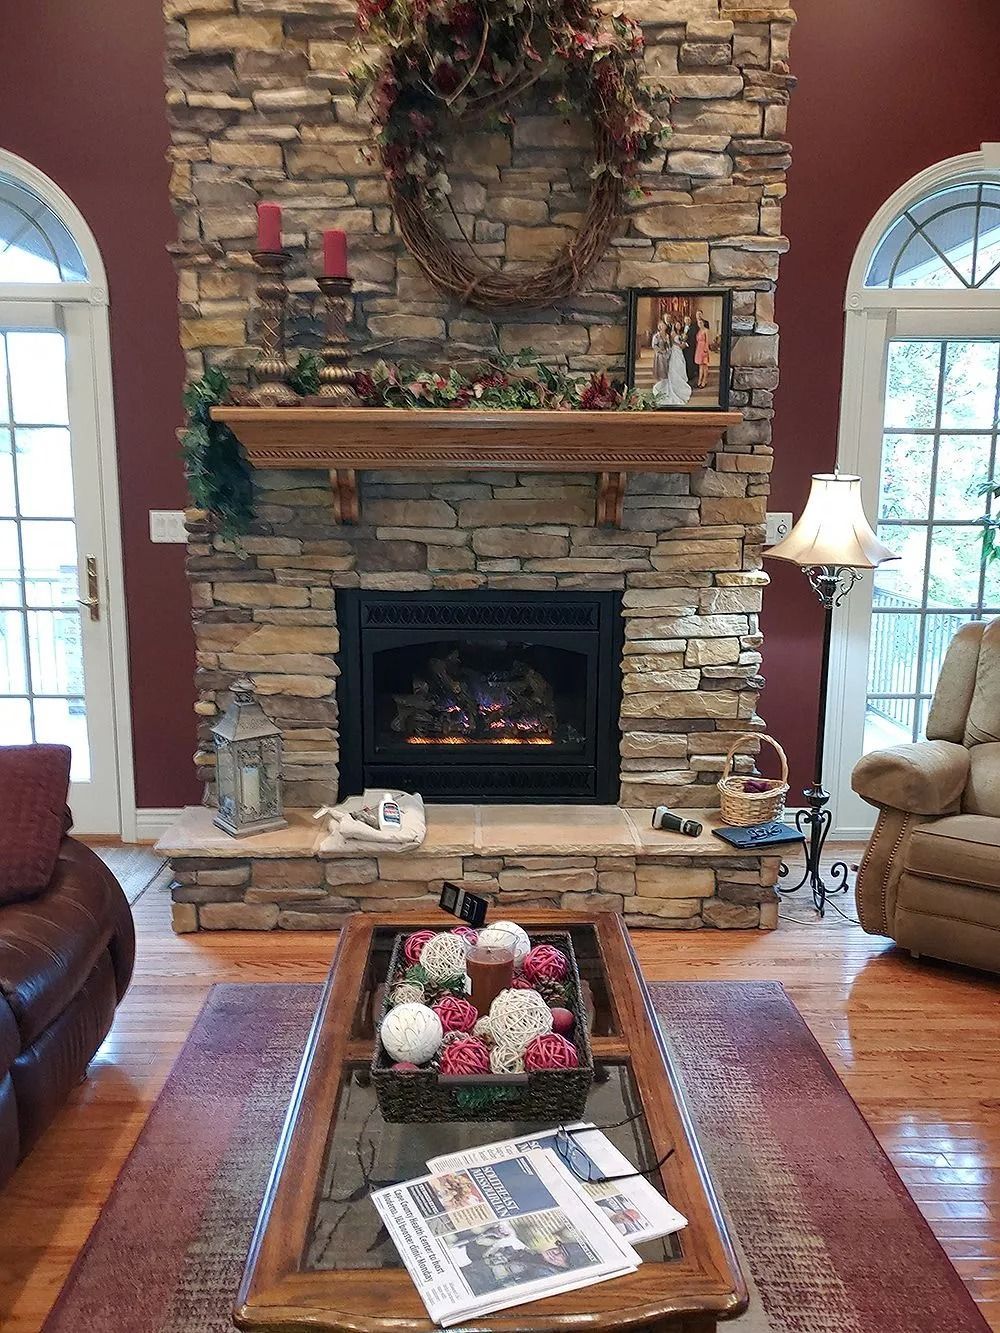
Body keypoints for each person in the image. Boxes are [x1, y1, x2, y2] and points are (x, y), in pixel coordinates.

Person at [653, 324, 693, 407]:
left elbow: (680, 341)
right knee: (675, 367)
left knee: (681, 366)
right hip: (675, 350)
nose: (678, 326)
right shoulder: (672, 333)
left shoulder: (681, 333)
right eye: (677, 325)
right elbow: (673, 343)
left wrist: (683, 343)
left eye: (679, 325)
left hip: (679, 352)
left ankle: (681, 381)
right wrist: (680, 345)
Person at [681, 312, 698, 386]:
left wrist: (686, 344)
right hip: (683, 348)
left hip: (690, 348)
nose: (687, 321)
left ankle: (690, 378)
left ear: (690, 320)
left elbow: (693, 338)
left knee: (690, 362)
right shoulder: (682, 328)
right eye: (686, 320)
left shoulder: (693, 328)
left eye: (688, 319)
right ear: (684, 320)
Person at [650, 318, 670, 383]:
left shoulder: (667, 335)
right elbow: (654, 345)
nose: (664, 326)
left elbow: (669, 345)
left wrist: (667, 350)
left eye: (664, 325)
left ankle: (665, 381)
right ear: (660, 327)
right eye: (662, 325)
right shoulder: (656, 336)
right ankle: (660, 381)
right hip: (659, 354)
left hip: (666, 353)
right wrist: (661, 351)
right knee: (661, 368)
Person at [695, 316, 711, 390]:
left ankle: (704, 380)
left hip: (704, 348)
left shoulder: (706, 330)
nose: (700, 324)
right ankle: (699, 380)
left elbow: (707, 341)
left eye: (701, 322)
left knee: (704, 365)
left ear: (703, 323)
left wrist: (706, 349)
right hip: (699, 348)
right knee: (700, 365)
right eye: (699, 323)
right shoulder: (699, 331)